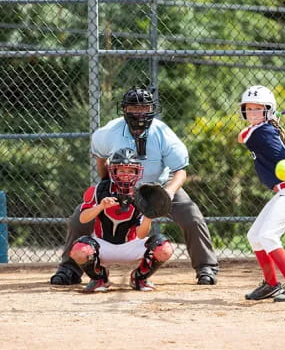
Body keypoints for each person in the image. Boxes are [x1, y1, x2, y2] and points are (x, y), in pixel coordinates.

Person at [51, 87, 219, 286]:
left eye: (144, 107)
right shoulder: (109, 132)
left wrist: (168, 192)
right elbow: (100, 157)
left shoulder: (163, 133)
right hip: (119, 184)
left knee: (192, 217)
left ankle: (206, 267)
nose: (139, 113)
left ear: (152, 109)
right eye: (133, 108)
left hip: (156, 186)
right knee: (79, 219)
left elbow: (180, 171)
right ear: (124, 110)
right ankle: (69, 270)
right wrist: (106, 183)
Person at [237, 85, 285, 302]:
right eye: (248, 109)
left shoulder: (261, 132)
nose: (252, 114)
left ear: (269, 111)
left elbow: (241, 137)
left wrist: (267, 123)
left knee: (268, 236)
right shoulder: (267, 130)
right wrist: (269, 121)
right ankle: (271, 284)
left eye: (258, 109)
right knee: (254, 237)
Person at [69, 148, 173, 292]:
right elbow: (83, 218)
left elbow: (141, 235)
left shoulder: (141, 195)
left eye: (131, 171)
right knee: (79, 250)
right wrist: (100, 207)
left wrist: (148, 217)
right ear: (113, 171)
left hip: (130, 245)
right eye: (122, 170)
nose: (126, 175)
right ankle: (100, 277)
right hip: (103, 245)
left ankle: (139, 277)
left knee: (164, 249)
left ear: (137, 173)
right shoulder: (99, 190)